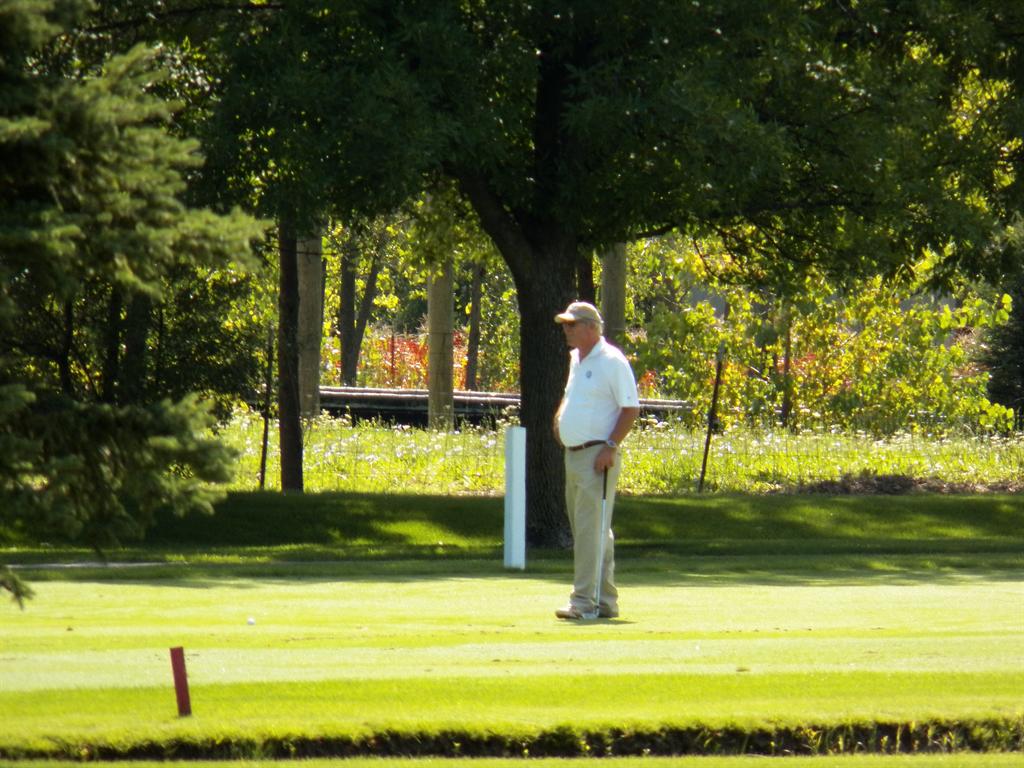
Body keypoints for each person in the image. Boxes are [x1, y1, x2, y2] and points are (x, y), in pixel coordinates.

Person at [552, 301, 640, 620]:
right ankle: (606, 601)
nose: (566, 330)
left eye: (572, 325)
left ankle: (583, 602)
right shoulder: (577, 358)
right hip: (573, 454)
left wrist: (611, 446)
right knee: (590, 528)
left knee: (591, 528)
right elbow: (571, 396)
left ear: (591, 327)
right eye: (565, 324)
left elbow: (630, 408)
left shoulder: (612, 361)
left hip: (597, 456)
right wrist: (561, 419)